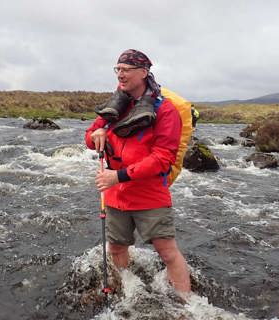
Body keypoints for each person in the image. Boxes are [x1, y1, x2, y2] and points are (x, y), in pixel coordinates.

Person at [85, 49, 191, 294]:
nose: (120, 74)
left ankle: (189, 304)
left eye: (126, 70)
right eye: (118, 69)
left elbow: (163, 159)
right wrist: (96, 135)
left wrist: (118, 176)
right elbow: (89, 138)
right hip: (115, 194)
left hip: (148, 193)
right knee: (116, 249)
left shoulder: (165, 111)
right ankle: (128, 294)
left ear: (143, 73)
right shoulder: (115, 106)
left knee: (167, 252)